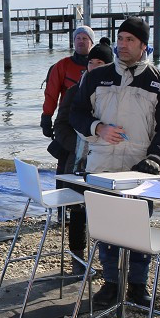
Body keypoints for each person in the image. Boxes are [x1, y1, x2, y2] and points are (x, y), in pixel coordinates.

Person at [70, 16, 160, 307]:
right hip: (102, 165)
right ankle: (111, 283)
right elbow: (76, 114)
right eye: (120, 39)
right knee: (107, 229)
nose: (123, 45)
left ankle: (138, 286)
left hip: (139, 169)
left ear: (144, 45)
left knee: (138, 229)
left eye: (130, 40)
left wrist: (156, 158)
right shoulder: (95, 76)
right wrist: (97, 128)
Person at [53, 37, 113, 260]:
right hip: (77, 160)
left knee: (105, 209)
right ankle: (77, 257)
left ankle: (107, 259)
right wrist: (81, 145)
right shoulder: (74, 91)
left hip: (107, 160)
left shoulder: (117, 93)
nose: (94, 67)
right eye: (91, 62)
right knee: (78, 211)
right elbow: (60, 126)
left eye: (100, 63)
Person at [43, 26, 97, 259]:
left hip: (90, 126)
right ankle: (62, 212)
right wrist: (47, 117)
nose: (81, 42)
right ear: (73, 42)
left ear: (91, 43)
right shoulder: (62, 66)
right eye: (78, 38)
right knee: (64, 167)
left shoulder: (100, 65)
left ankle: (84, 211)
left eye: (85, 38)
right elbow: (51, 92)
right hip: (67, 122)